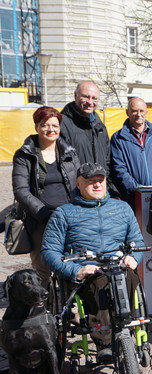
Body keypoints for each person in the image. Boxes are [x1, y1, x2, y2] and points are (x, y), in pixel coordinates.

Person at [41, 163, 145, 363]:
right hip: (86, 269)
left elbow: (137, 242)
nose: (97, 185)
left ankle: (126, 332)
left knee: (129, 276)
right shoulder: (64, 213)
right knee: (99, 283)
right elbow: (48, 252)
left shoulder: (122, 208)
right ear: (78, 184)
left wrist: (133, 257)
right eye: (90, 181)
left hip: (117, 264)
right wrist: (76, 271)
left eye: (100, 181)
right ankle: (105, 342)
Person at [12, 107, 80, 284]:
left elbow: (80, 183)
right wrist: (44, 215)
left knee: (71, 264)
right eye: (45, 125)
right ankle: (43, 308)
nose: (51, 129)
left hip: (68, 218)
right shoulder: (25, 155)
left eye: (54, 125)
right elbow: (20, 190)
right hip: (40, 220)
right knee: (43, 270)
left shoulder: (69, 153)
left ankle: (69, 307)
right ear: (36, 127)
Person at [60, 80, 117, 196]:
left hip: (99, 192)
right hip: (76, 194)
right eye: (86, 97)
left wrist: (110, 189)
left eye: (94, 98)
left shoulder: (99, 126)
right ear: (75, 95)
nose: (90, 102)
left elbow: (107, 161)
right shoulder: (62, 124)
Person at [110, 97, 152, 209]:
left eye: (141, 111)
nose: (138, 114)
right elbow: (119, 169)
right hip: (132, 198)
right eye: (134, 111)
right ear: (127, 112)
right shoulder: (118, 138)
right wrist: (137, 190)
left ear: (146, 113)